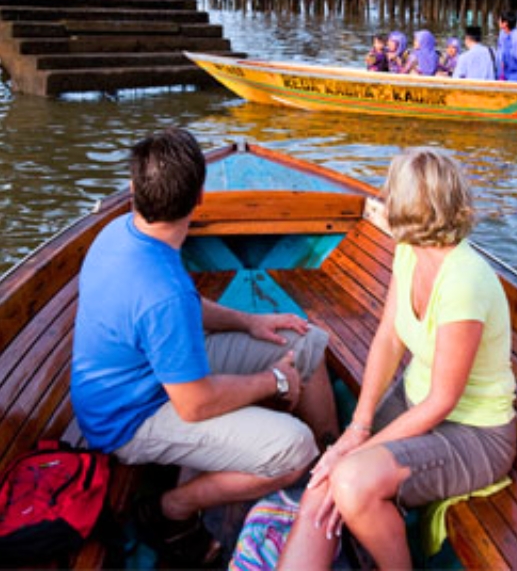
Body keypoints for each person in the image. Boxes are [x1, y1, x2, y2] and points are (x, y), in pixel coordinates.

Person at [71, 128, 338, 567]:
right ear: (200, 198)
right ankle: (172, 509)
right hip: (130, 417)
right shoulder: (162, 292)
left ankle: (332, 460)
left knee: (303, 342)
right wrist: (273, 381)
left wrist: (251, 321)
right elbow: (194, 404)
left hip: (156, 373)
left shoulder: (122, 232)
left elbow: (185, 309)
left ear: (136, 191)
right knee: (295, 448)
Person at [279, 147, 517, 571]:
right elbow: (389, 339)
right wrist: (357, 428)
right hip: (415, 403)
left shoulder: (464, 280)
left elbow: (443, 402)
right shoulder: (409, 253)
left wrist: (357, 453)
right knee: (325, 480)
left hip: (474, 433)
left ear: (404, 207)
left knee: (350, 479)